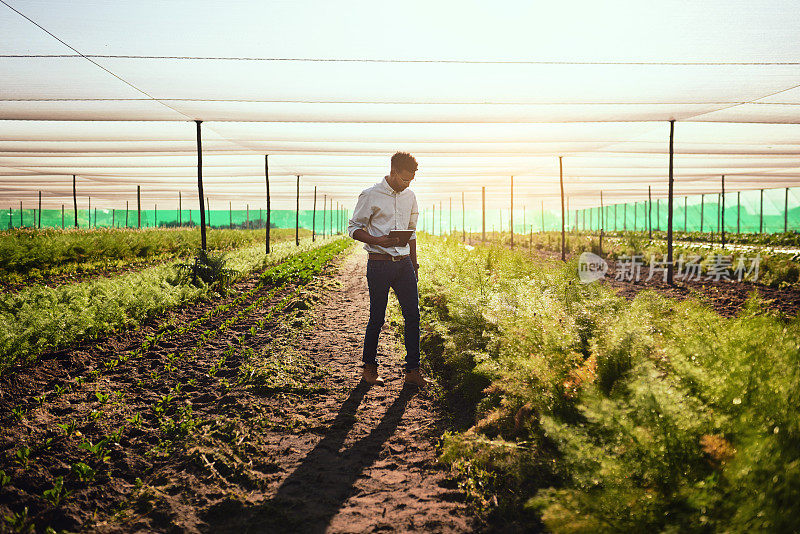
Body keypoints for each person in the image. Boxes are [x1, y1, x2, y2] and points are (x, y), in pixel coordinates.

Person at [347, 152, 432, 387]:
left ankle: (413, 372)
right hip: (379, 263)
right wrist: (377, 239)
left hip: (404, 264)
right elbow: (353, 228)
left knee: (413, 316)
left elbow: (412, 232)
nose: (407, 184)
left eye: (411, 181)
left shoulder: (410, 196)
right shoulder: (370, 194)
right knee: (377, 317)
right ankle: (369, 369)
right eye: (404, 179)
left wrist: (414, 265)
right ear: (393, 172)